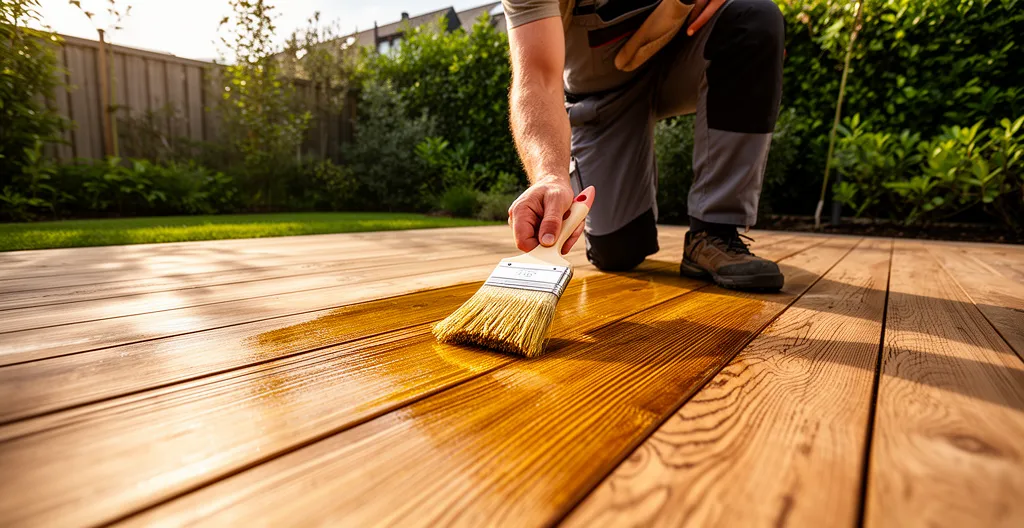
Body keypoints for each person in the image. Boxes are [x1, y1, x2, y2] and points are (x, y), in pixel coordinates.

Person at [503, 0, 787, 291]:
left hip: (683, 56)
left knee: (754, 19)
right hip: (602, 99)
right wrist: (550, 175)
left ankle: (714, 232)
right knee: (618, 250)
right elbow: (537, 78)